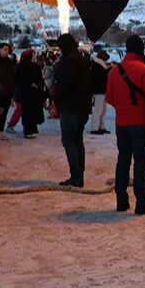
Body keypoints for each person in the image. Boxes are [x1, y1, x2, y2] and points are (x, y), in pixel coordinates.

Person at [104, 35, 145, 214]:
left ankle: (121, 200)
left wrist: (123, 109)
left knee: (123, 161)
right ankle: (142, 202)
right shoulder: (144, 70)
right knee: (140, 164)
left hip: (122, 124)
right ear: (141, 49)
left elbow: (109, 98)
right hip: (141, 123)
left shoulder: (114, 71)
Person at [52, 33, 93, 185]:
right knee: (77, 140)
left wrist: (57, 99)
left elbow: (65, 84)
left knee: (69, 141)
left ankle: (76, 176)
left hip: (71, 107)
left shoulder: (69, 61)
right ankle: (79, 173)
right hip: (82, 107)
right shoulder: (81, 60)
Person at [14, 49, 44, 138]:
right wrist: (28, 84)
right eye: (32, 56)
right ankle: (27, 130)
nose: (34, 57)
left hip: (35, 93)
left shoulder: (36, 67)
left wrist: (37, 84)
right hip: (25, 93)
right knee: (27, 112)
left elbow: (40, 79)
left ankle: (33, 128)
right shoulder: (20, 67)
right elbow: (18, 80)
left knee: (34, 111)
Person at [89, 50, 111, 134]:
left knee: (102, 109)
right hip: (99, 90)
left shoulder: (96, 65)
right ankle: (95, 128)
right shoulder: (98, 66)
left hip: (100, 90)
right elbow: (102, 76)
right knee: (99, 110)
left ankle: (100, 126)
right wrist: (109, 69)